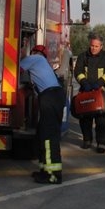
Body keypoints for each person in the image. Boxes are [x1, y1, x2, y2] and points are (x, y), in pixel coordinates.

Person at [19, 44, 64, 184]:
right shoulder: (42, 62)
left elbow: (16, 70)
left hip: (49, 97)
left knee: (48, 137)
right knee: (43, 134)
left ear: (34, 52)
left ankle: (53, 175)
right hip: (54, 96)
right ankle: (45, 170)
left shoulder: (34, 58)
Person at [73, 33, 105, 153]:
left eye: (96, 46)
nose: (93, 48)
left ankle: (101, 143)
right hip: (86, 92)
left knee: (102, 119)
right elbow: (78, 72)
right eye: (92, 46)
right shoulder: (83, 56)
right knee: (85, 117)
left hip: (102, 93)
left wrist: (100, 83)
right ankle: (87, 140)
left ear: (101, 46)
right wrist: (84, 83)